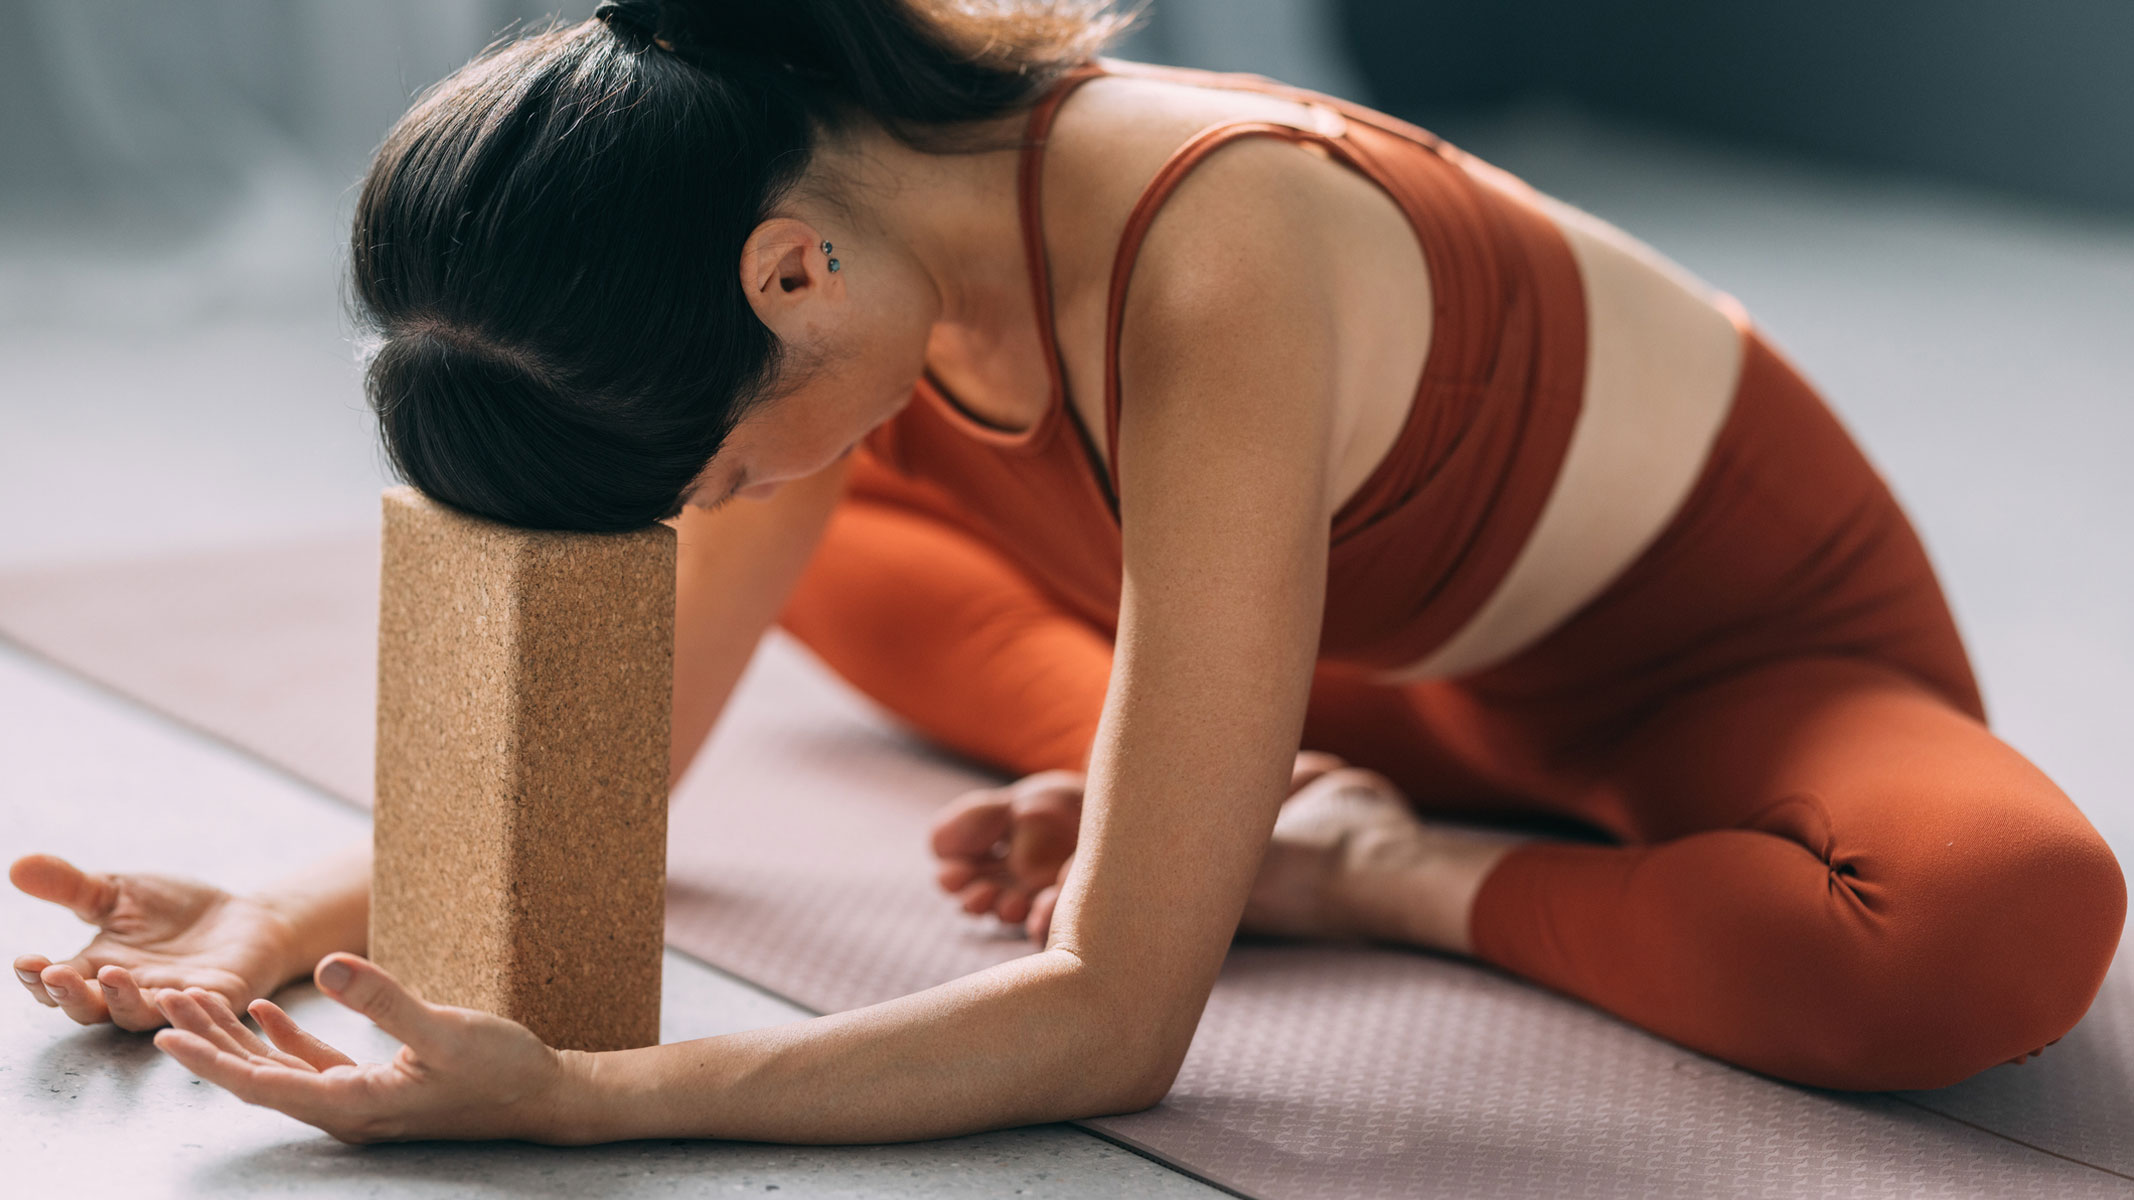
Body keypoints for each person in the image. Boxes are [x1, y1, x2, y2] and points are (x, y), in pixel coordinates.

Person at [11, 0, 2125, 1146]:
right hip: (1348, 663)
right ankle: (1241, 801)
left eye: (723, 448)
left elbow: (1114, 1027)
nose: (723, 489)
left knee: (1985, 932)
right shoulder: (822, 238)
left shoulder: (1224, 237)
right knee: (838, 567)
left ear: (789, 273)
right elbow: (619, 747)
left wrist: (581, 1101)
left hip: (1699, 671)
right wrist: (282, 912)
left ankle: (1366, 864)